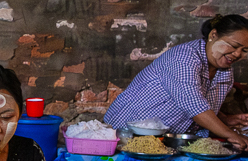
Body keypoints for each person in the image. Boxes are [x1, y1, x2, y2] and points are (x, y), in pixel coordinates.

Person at [104, 14, 248, 150]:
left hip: (163, 142)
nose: (237, 54)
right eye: (234, 46)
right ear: (213, 35)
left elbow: (202, 102)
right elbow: (195, 106)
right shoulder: (183, 58)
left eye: (245, 50)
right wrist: (231, 134)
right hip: (126, 133)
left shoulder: (224, 71)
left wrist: (224, 120)